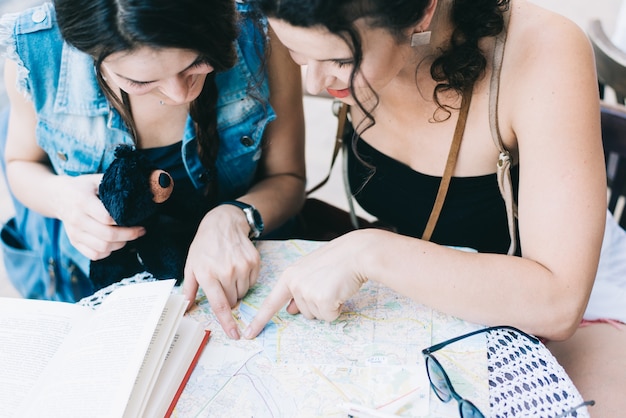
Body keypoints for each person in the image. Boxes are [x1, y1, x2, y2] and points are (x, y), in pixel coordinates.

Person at [243, 0, 626, 415]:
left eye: (339, 59)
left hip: (560, 300)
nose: (314, 83)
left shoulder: (542, 49)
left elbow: (558, 302)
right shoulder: (314, 30)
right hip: (415, 292)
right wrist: (231, 213)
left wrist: (369, 252)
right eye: (297, 55)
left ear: (424, 11)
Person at [0, 0, 305, 339]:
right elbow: (21, 163)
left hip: (238, 285)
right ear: (86, 50)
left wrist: (236, 216)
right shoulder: (37, 50)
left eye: (199, 62)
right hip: (94, 292)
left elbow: (288, 178)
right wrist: (63, 199)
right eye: (139, 81)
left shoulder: (259, 32)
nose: (178, 94)